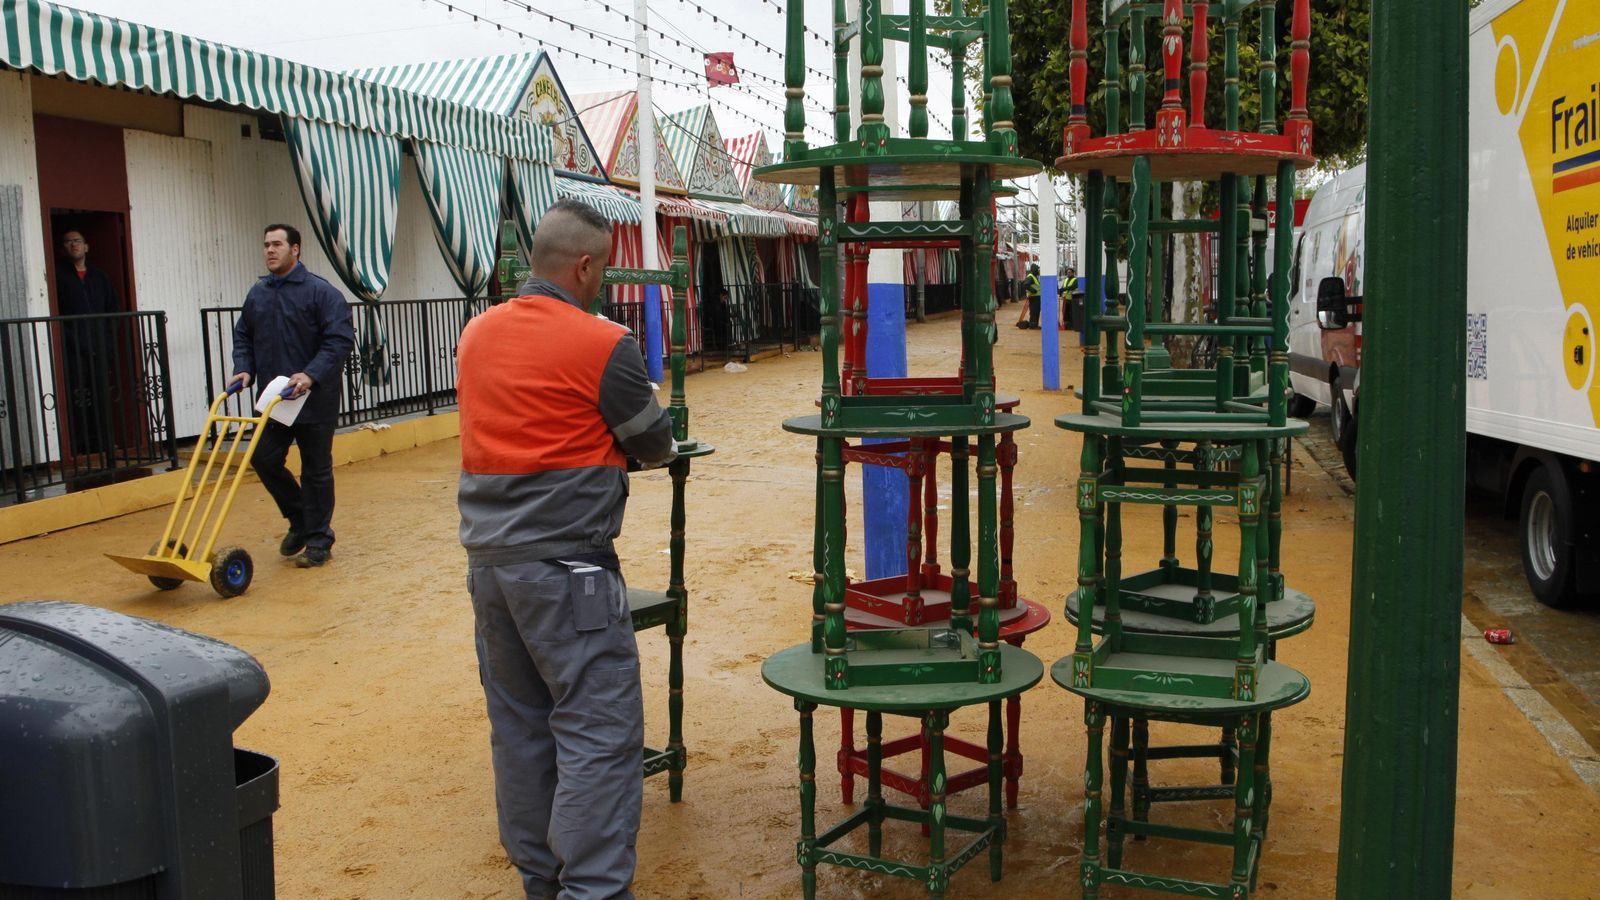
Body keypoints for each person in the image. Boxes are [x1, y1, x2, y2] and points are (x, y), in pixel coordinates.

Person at [456, 198, 674, 900]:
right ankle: (594, 890)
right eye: (603, 271)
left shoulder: (476, 334)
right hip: (570, 567)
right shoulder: (603, 343)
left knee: (520, 730)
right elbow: (655, 442)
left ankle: (542, 884)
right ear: (584, 267)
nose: (602, 283)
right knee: (598, 732)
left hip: (491, 567)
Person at [228, 224, 354, 568]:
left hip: (314, 398)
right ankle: (300, 519)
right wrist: (244, 367)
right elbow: (243, 335)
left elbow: (339, 340)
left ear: (295, 249)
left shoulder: (321, 293)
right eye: (266, 245)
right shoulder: (258, 293)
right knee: (263, 458)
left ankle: (318, 540)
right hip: (275, 399)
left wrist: (310, 374)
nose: (270, 250)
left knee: (316, 469)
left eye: (277, 244)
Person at [55, 229, 121, 455]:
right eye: (68, 242)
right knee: (78, 397)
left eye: (77, 241)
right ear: (63, 248)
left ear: (86, 246)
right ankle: (80, 444)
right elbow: (58, 315)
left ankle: (104, 442)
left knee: (102, 394)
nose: (73, 245)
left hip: (100, 348)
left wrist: (107, 341)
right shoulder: (58, 277)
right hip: (74, 350)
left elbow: (113, 310)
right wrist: (73, 341)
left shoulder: (99, 277)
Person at [1015, 262, 1043, 329]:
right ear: (1034, 270)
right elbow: (1026, 284)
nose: (1038, 271)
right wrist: (1033, 290)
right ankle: (1033, 325)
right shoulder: (1030, 277)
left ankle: (1035, 324)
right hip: (1033, 297)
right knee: (1034, 311)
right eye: (1037, 270)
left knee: (1036, 311)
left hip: (1036, 297)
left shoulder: (1034, 277)